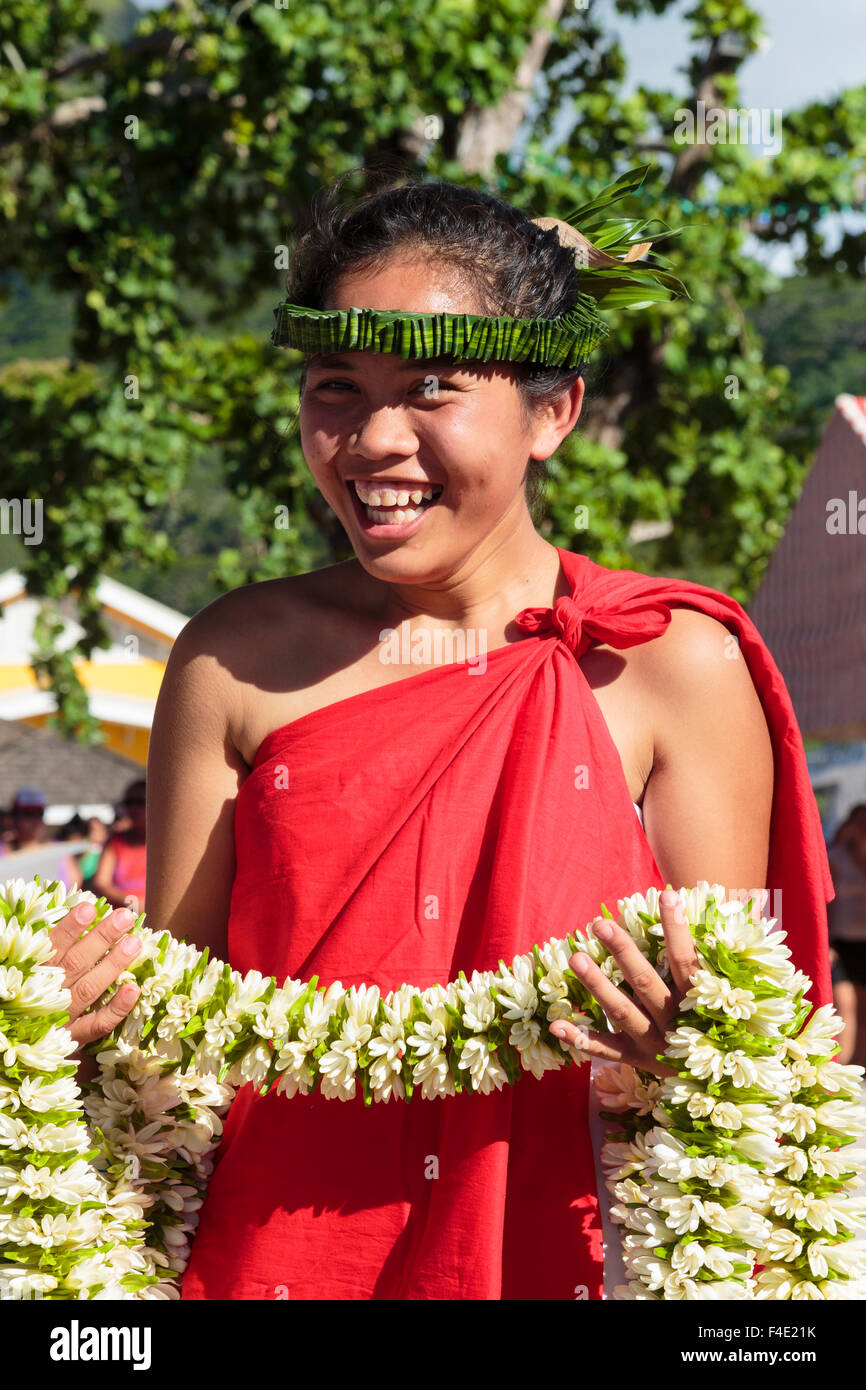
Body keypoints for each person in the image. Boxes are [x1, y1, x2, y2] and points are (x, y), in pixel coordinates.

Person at [46, 167, 833, 1301]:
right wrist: (65, 1010)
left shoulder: (667, 661)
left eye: (430, 388)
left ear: (550, 413)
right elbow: (174, 1036)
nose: (370, 440)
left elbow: (746, 1038)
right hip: (276, 1252)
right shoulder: (231, 659)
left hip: (555, 1253)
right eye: (334, 388)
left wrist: (687, 1049)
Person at [827, 803, 866, 1066]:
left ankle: (860, 1068)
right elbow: (825, 902)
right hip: (840, 942)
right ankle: (841, 1070)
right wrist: (825, 942)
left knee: (862, 1006)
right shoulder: (836, 857)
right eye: (859, 823)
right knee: (845, 1003)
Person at [90, 779, 147, 914]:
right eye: (129, 802)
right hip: (121, 915)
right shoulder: (115, 840)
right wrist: (133, 903)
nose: (133, 808)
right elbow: (101, 882)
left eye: (140, 802)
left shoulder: (161, 844)